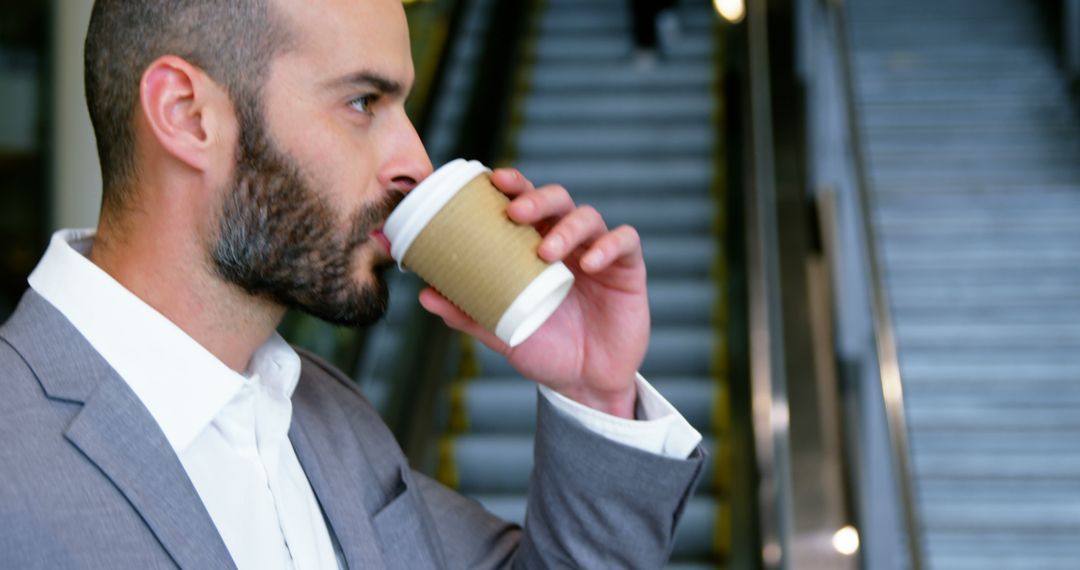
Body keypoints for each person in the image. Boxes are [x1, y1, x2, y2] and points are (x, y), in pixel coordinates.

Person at [0, 0, 705, 568]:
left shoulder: (333, 417)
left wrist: (593, 389)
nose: (418, 164)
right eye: (364, 102)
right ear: (187, 116)